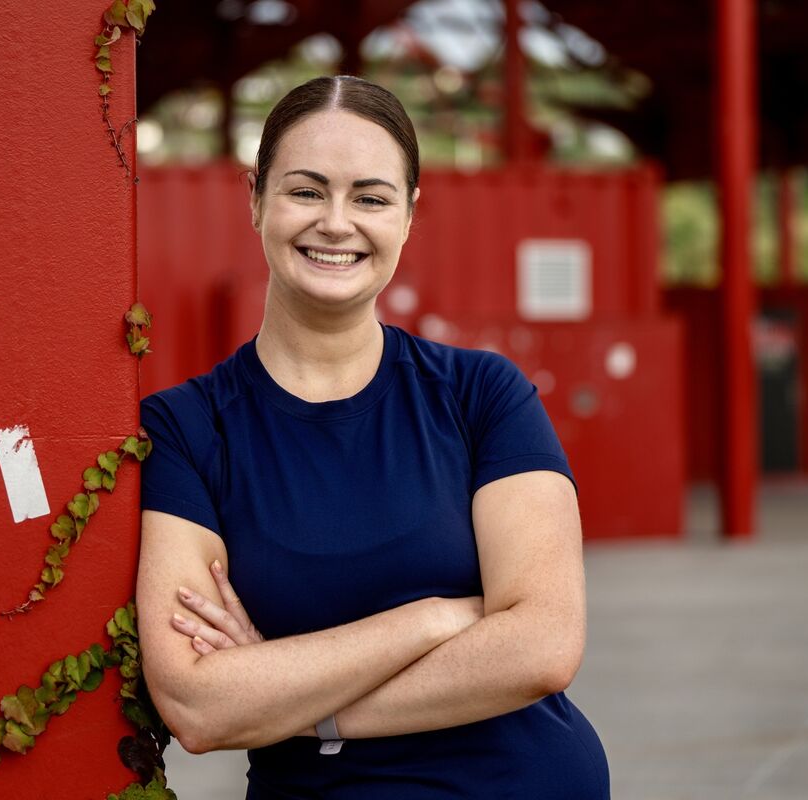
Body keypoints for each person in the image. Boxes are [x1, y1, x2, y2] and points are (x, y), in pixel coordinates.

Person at [137, 75, 609, 799]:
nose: (336, 223)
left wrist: (294, 703)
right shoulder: (186, 429)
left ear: (409, 215)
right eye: (306, 191)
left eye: (370, 198)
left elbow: (543, 647)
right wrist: (433, 620)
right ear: (255, 199)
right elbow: (198, 703)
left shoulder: (483, 394)